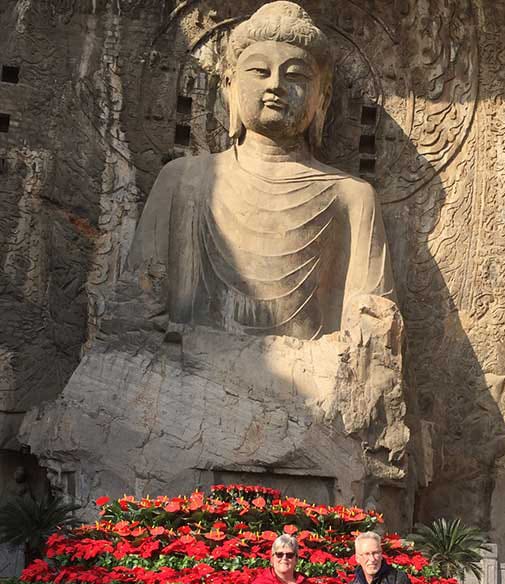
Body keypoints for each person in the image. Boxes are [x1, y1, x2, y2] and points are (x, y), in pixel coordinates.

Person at [109, 0, 395, 342]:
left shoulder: (352, 196)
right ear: (229, 86)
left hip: (310, 377)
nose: (275, 85)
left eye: (296, 75)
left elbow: (373, 337)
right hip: (183, 378)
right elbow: (134, 313)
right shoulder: (182, 179)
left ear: (323, 97)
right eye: (259, 72)